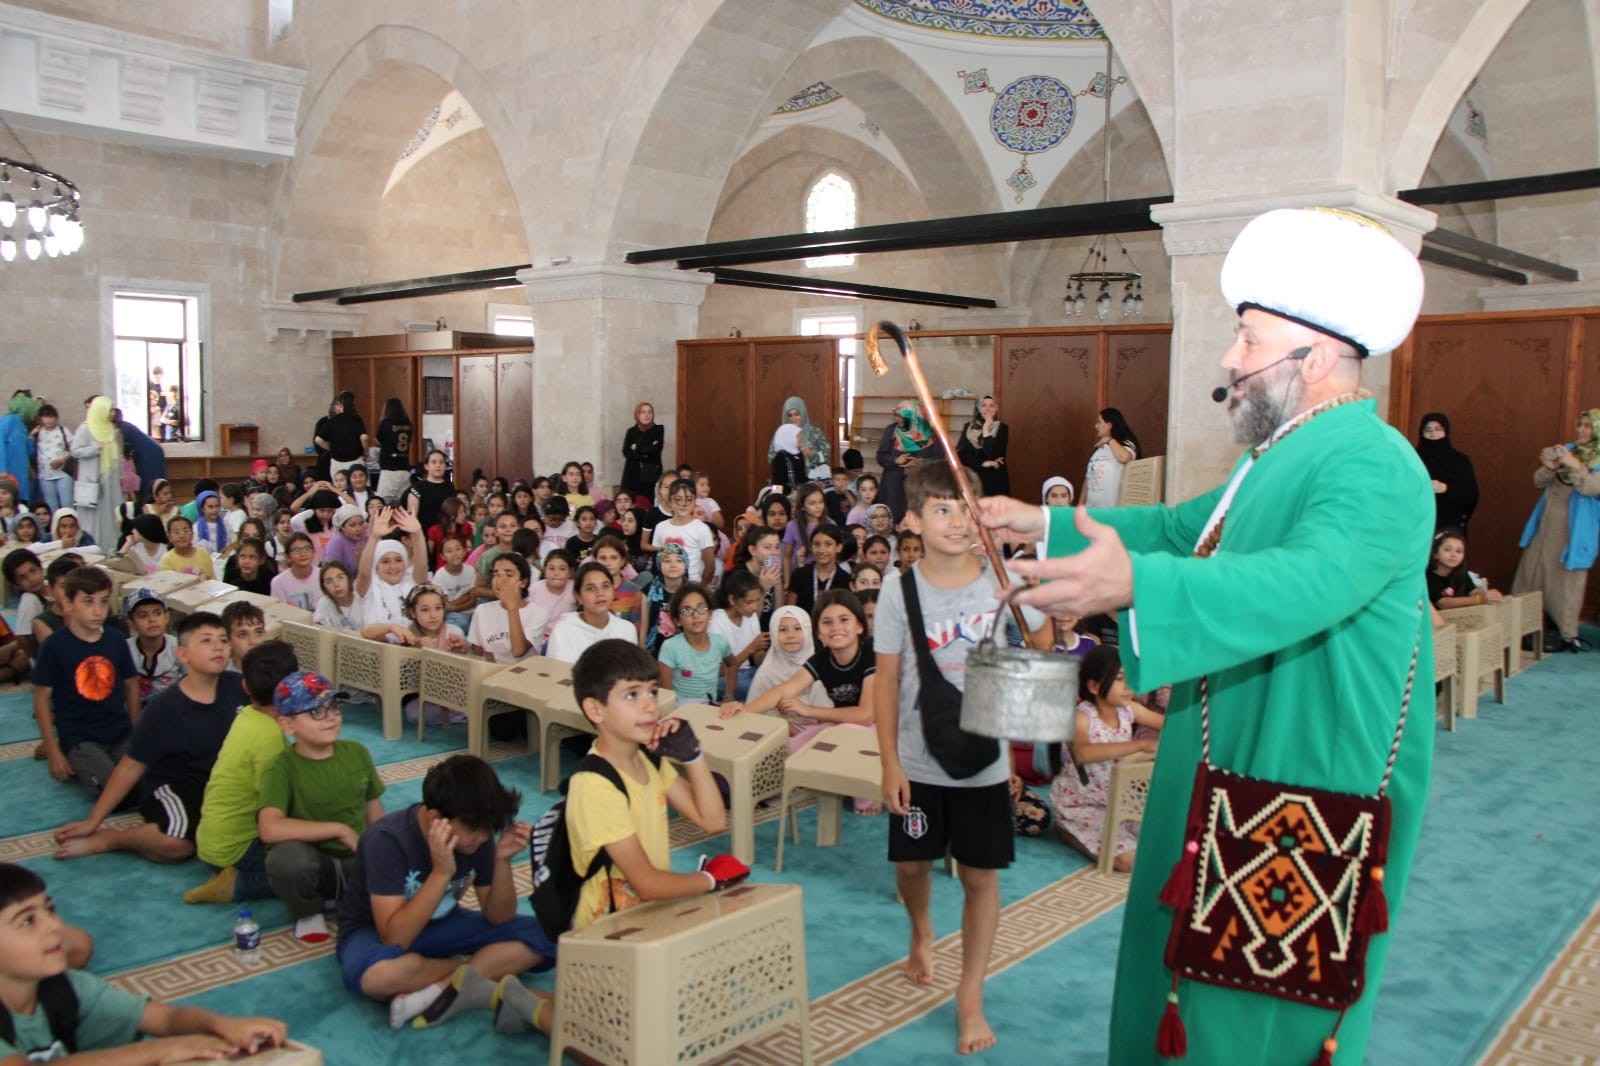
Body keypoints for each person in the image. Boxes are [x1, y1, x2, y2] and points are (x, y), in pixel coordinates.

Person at [979, 206, 1433, 1064]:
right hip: (1237, 751)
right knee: (1188, 970)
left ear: (1319, 357)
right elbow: (1180, 528)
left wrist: (1134, 586)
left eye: (1250, 341)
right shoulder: (1277, 455)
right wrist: (1038, 526)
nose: (1231, 360)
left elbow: (1306, 581)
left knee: (1256, 1003)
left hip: (1305, 767)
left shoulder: (1373, 463)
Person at [874, 461, 1049, 1056]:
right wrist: (890, 764)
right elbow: (887, 680)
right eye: (940, 509)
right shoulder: (898, 590)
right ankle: (921, 929)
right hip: (918, 759)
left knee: (980, 875)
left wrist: (1031, 590)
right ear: (914, 521)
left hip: (984, 761)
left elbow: (1043, 651)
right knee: (911, 869)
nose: (954, 521)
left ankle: (969, 994)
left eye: (964, 508)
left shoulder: (1003, 579)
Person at [335, 754, 553, 1030]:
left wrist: (501, 861)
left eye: (488, 829)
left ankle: (438, 990)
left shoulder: (478, 836)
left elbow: (499, 917)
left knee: (547, 934)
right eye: (474, 830)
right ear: (435, 818)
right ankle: (472, 969)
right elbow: (394, 938)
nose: (483, 837)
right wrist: (440, 873)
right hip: (372, 930)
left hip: (444, 924)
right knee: (378, 977)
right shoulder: (386, 840)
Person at [0, 863, 287, 1062]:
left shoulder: (67, 987)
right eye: (27, 921)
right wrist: (159, 1052)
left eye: (49, 910)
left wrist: (219, 1024)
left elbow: (166, 1019)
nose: (53, 925)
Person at [558, 640, 733, 935]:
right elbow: (647, 884)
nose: (650, 704)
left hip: (647, 919)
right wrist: (711, 880)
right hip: (607, 934)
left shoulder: (648, 761)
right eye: (631, 695)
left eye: (652, 690)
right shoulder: (594, 786)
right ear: (595, 709)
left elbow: (713, 821)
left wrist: (692, 756)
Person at [51, 612, 246, 865]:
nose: (218, 646)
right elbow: (131, 766)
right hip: (177, 785)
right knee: (177, 845)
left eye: (223, 640)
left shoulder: (240, 687)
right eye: (206, 641)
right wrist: (93, 821)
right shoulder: (164, 708)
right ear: (183, 655)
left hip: (224, 783)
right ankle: (113, 839)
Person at [259, 670, 386, 943]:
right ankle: (308, 912)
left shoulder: (356, 752)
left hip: (354, 861)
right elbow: (269, 828)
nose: (330, 717)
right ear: (287, 724)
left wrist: (380, 853)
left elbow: (374, 812)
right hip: (313, 864)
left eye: (333, 708)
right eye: (315, 712)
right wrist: (338, 829)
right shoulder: (281, 768)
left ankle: (346, 898)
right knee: (287, 861)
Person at [183, 640, 297, 905]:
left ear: (245, 686)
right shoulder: (269, 737)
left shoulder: (246, 715)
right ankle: (237, 885)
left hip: (213, 841)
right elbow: (279, 807)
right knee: (313, 867)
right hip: (237, 850)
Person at [1048, 645, 1164, 872]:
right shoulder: (1082, 716)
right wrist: (1139, 745)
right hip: (1081, 803)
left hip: (1118, 800)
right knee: (1128, 860)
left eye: (1131, 678)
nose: (1129, 686)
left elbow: (1168, 724)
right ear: (1094, 685)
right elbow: (1083, 753)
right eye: (1120, 679)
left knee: (1161, 842)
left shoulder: (1129, 709)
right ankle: (1067, 830)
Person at [31, 567, 140, 797]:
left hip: (119, 731)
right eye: (88, 602)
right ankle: (76, 759)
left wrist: (136, 732)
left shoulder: (116, 640)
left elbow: (131, 685)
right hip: (80, 738)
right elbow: (41, 700)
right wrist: (53, 752)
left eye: (103, 602)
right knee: (112, 792)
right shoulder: (54, 646)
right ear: (68, 604)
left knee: (145, 781)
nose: (97, 611)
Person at [1512, 408, 1600, 652]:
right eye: (1580, 425)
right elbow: (1538, 481)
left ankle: (1565, 633)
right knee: (1532, 572)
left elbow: (1591, 488)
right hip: (1546, 524)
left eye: (1588, 426)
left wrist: (1575, 466)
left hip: (1573, 531)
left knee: (1564, 582)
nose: (1581, 430)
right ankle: (1520, 627)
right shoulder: (1568, 449)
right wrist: (1550, 466)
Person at [656, 583, 733, 706]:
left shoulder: (720, 642)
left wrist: (729, 695)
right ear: (677, 620)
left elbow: (732, 664)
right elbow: (665, 694)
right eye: (687, 610)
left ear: (710, 614)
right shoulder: (671, 647)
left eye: (701, 608)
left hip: (709, 709)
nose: (695, 615)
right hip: (680, 711)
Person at [547, 562, 637, 661]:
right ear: (578, 597)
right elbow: (559, 673)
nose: (600, 593)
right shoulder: (564, 630)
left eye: (606, 586)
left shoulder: (626, 629)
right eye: (591, 588)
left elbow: (630, 673)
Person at [468, 554, 549, 664]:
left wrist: (512, 608)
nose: (500, 580)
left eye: (509, 575)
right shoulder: (482, 610)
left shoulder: (538, 614)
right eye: (496, 574)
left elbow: (518, 651)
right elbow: (477, 652)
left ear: (523, 582)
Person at [69, 396, 122, 551]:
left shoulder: (110, 429)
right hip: (92, 482)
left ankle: (109, 548)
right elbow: (75, 451)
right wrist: (94, 448)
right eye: (109, 409)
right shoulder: (86, 428)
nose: (112, 413)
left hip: (108, 481)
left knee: (109, 517)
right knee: (92, 519)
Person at [1416, 412, 1478, 532]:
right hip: (1419, 524)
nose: (1433, 434)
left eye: (1438, 429)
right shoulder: (1414, 460)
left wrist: (1446, 488)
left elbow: (1471, 495)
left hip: (1451, 527)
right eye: (1428, 430)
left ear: (1446, 431)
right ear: (1421, 433)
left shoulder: (1459, 461)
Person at [877, 401, 935, 521]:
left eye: (902, 417)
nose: (898, 419)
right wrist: (895, 460)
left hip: (920, 485)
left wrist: (921, 462)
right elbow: (881, 456)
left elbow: (939, 460)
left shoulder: (929, 434)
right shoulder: (891, 431)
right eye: (897, 416)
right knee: (892, 518)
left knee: (917, 518)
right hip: (893, 485)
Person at [651, 478, 716, 584]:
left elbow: (710, 566)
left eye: (689, 499)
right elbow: (659, 560)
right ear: (670, 501)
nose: (684, 504)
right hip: (668, 585)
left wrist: (700, 589)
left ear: (694, 501)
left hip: (692, 584)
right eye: (678, 499)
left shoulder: (701, 528)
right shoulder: (660, 527)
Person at [124, 588, 182, 705]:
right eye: (143, 616)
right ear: (131, 623)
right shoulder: (124, 649)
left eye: (157, 613)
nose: (152, 620)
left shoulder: (178, 648)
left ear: (166, 617)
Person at [1427, 527, 1503, 609]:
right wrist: (1479, 600)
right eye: (1447, 550)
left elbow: (1472, 591)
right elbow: (1442, 603)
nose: (1453, 555)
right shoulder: (1427, 576)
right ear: (1435, 553)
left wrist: (1487, 595)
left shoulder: (1461, 573)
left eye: (1459, 551)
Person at [1083, 408, 1140, 509]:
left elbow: (1125, 458)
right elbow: (1088, 480)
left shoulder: (1127, 445)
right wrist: (1080, 506)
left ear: (1109, 425)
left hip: (1113, 512)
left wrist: (1109, 440)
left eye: (1099, 422)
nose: (1096, 426)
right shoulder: (1098, 448)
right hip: (1091, 511)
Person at [957, 395, 1010, 498]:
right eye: (984, 405)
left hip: (994, 480)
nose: (988, 409)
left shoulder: (1003, 428)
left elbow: (994, 454)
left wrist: (986, 429)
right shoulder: (968, 427)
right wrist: (983, 463)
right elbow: (961, 454)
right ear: (978, 408)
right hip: (972, 477)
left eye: (991, 405)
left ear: (996, 408)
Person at [770, 395, 831, 482]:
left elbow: (827, 455)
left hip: (815, 482)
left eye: (797, 414)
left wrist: (812, 454)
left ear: (803, 413)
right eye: (790, 415)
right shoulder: (781, 434)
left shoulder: (815, 432)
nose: (794, 419)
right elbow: (772, 457)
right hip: (787, 481)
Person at [317, 391, 370, 484]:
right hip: (355, 461)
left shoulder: (331, 421)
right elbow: (364, 437)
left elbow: (318, 440)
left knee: (340, 490)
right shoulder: (356, 420)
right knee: (358, 487)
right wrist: (365, 451)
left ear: (341, 405)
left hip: (337, 462)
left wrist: (330, 448)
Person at [32, 403, 73, 513]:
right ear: (40, 418)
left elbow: (73, 449)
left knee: (67, 503)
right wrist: (31, 435)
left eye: (51, 417)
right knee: (51, 506)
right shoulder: (38, 433)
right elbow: (30, 449)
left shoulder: (63, 430)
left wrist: (62, 460)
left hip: (63, 473)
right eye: (45, 417)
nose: (49, 420)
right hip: (44, 474)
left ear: (56, 417)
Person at [620, 401, 665, 501]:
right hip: (632, 476)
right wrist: (646, 453)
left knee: (648, 505)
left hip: (650, 475)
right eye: (643, 412)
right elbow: (626, 452)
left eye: (649, 412)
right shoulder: (631, 431)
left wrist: (637, 447)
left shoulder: (658, 430)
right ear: (637, 414)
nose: (646, 415)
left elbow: (655, 450)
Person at [0, 392, 40, 504]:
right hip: (9, 471)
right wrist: (2, 469)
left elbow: (26, 450)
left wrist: (31, 437)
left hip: (21, 473)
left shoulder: (22, 425)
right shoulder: (9, 420)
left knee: (20, 501)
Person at [375, 397, 415, 502]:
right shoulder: (408, 424)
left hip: (389, 468)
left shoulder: (385, 423)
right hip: (404, 467)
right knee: (403, 502)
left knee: (382, 502)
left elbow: (377, 440)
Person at [406, 449, 456, 529]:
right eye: (434, 462)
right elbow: (412, 517)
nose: (438, 465)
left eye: (441, 462)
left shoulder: (449, 486)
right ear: (426, 466)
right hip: (423, 532)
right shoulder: (417, 488)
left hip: (446, 533)